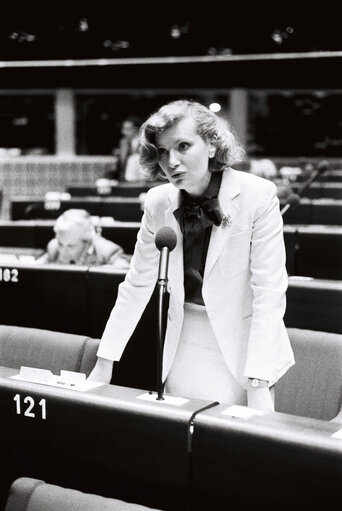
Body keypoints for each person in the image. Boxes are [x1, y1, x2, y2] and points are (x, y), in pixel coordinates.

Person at [89, 100, 295, 411]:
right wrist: (104, 362)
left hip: (244, 351)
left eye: (183, 146)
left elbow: (269, 294)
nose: (171, 161)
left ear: (212, 145)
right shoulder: (157, 201)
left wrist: (258, 381)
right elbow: (135, 286)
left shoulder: (258, 195)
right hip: (183, 342)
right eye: (162, 151)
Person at [36, 209, 131, 268]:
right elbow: (38, 267)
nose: (63, 250)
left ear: (86, 241)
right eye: (61, 244)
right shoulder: (54, 247)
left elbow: (125, 271)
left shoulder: (107, 251)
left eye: (70, 246)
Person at [117, 116, 145, 182]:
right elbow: (122, 163)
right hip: (127, 178)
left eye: (128, 129)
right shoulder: (124, 142)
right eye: (123, 129)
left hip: (143, 178)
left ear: (137, 129)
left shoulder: (145, 142)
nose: (124, 132)